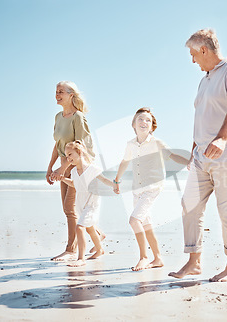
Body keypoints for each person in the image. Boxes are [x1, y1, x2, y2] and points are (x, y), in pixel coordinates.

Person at [169, 29, 227, 282]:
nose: (193, 60)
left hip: (226, 154)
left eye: (194, 54)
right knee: (189, 205)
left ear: (204, 49)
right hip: (201, 156)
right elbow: (201, 117)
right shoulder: (204, 80)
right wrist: (193, 149)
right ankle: (194, 262)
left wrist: (222, 138)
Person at [114, 108, 188, 271]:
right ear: (133, 124)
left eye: (148, 120)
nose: (144, 122)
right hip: (137, 189)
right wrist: (116, 180)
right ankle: (158, 258)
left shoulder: (157, 143)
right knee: (146, 225)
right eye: (140, 119)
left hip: (152, 188)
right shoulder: (130, 144)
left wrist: (189, 162)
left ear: (152, 126)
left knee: (134, 221)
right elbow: (124, 162)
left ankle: (144, 257)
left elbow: (172, 155)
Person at [46, 81, 104, 261]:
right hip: (65, 162)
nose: (57, 94)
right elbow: (58, 145)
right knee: (72, 209)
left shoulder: (78, 118)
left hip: (80, 166)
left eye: (61, 91)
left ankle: (71, 250)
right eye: (56, 91)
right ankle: (98, 235)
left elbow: (80, 148)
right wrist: (50, 167)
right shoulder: (58, 117)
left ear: (71, 95)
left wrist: (62, 169)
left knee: (69, 208)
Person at [60, 140, 116, 267]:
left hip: (92, 204)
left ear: (79, 153)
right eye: (66, 155)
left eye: (70, 154)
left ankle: (81, 258)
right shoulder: (74, 171)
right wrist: (63, 179)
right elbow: (75, 184)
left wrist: (115, 185)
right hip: (81, 204)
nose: (67, 158)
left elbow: (104, 180)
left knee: (80, 228)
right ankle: (100, 249)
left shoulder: (92, 169)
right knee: (90, 229)